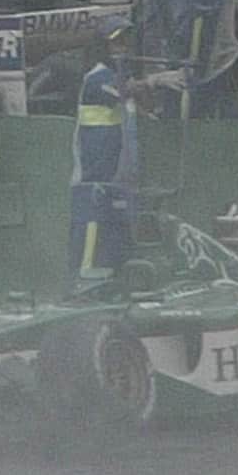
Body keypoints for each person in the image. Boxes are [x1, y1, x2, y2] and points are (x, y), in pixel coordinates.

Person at [68, 17, 139, 285]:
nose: (122, 48)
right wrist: (157, 79)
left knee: (114, 220)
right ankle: (84, 278)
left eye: (124, 42)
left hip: (115, 169)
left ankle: (111, 273)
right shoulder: (97, 77)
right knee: (91, 220)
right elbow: (126, 91)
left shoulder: (118, 75)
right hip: (92, 170)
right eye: (116, 42)